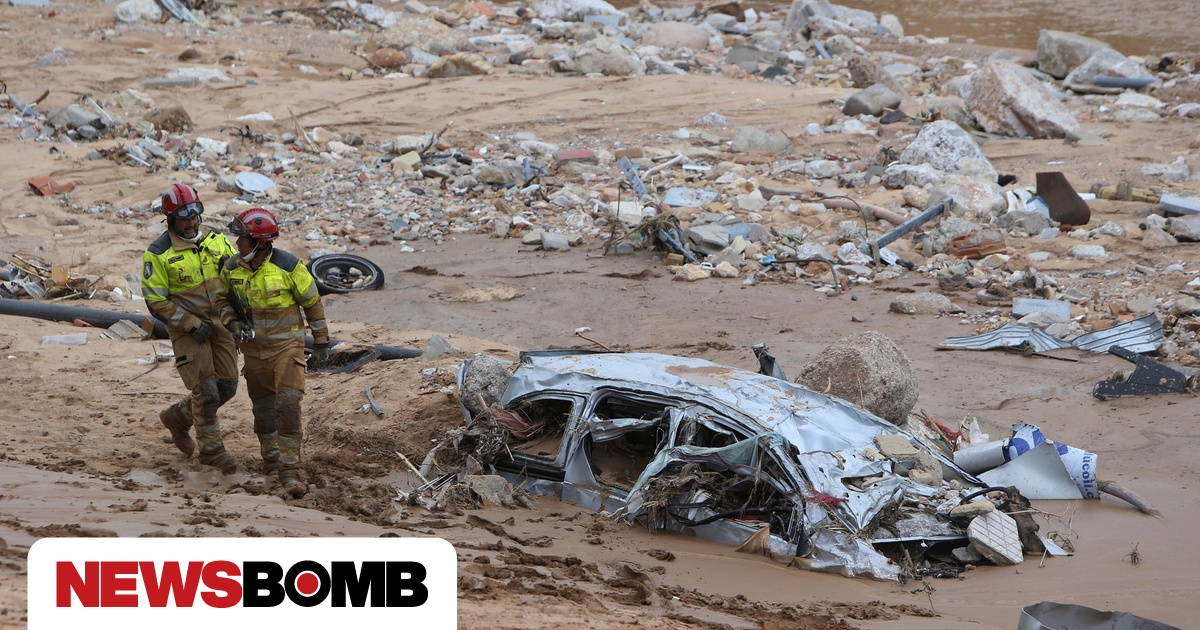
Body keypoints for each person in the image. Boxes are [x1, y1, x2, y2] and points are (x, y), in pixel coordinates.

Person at [215, 207, 329, 498]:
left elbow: (312, 304)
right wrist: (231, 322)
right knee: (263, 410)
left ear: (259, 241)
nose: (237, 243)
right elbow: (222, 300)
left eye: (242, 238)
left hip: (286, 349)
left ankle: (290, 470)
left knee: (288, 404)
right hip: (254, 352)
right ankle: (271, 462)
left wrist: (321, 342)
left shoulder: (289, 267)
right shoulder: (231, 268)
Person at [142, 183, 239, 473]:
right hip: (188, 329)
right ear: (170, 219)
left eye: (195, 216)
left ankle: (178, 417)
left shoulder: (217, 239)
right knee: (206, 389)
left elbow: (235, 278)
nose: (192, 223)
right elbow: (155, 301)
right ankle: (212, 452)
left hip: (221, 323)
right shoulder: (158, 253)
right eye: (184, 219)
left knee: (227, 387)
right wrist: (191, 324)